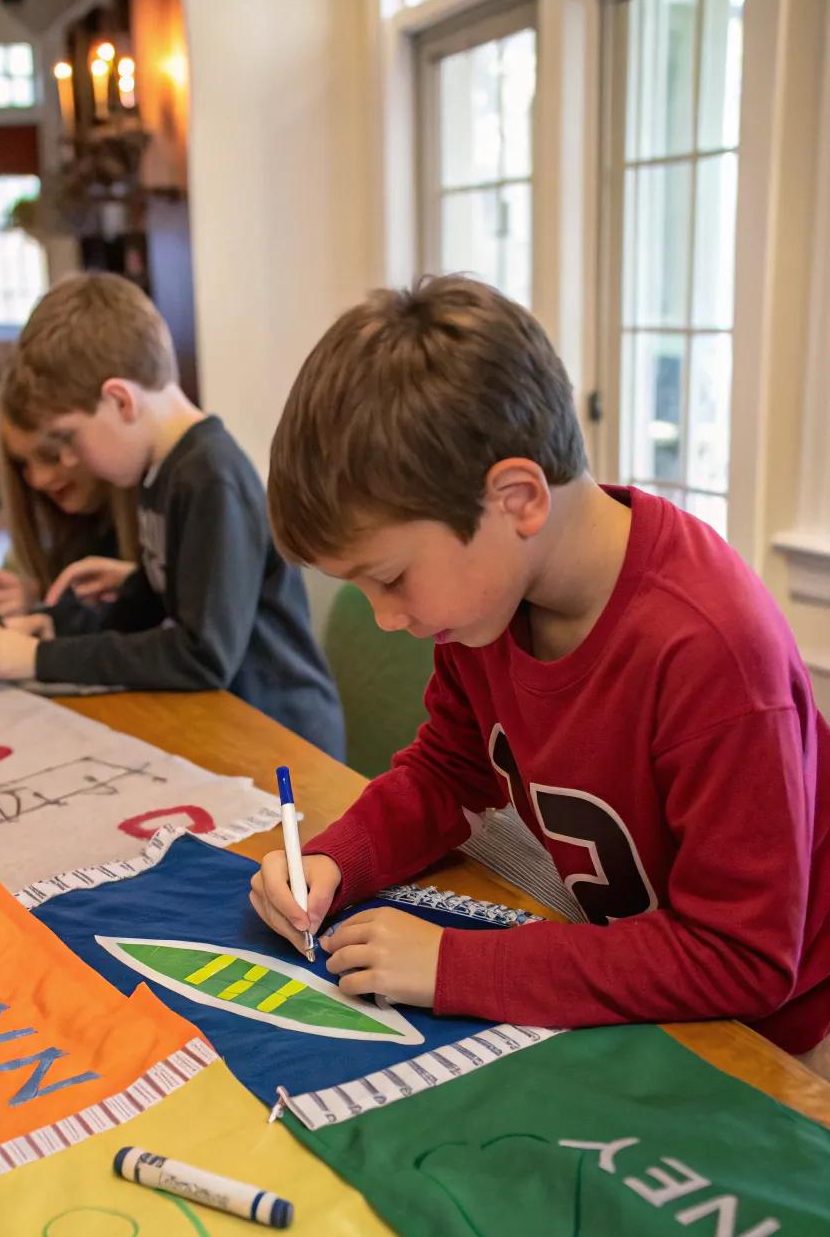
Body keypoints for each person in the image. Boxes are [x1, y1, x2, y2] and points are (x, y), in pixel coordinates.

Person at [248, 275, 830, 1066]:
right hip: (636, 984)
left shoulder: (711, 649)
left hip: (783, 1039)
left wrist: (456, 964)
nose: (385, 617)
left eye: (389, 578)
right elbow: (451, 773)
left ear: (517, 498)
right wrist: (332, 858)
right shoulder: (484, 604)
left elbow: (743, 957)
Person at [0, 274, 345, 759]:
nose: (70, 463)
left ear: (121, 400)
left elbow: (201, 656)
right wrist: (56, 625)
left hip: (284, 741)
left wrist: (42, 658)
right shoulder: (157, 472)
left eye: (67, 441)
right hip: (227, 726)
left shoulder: (210, 478)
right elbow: (155, 610)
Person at [0, 370, 140, 647]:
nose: (39, 479)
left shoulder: (157, 518)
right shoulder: (43, 525)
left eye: (50, 455)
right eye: (22, 463)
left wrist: (43, 618)